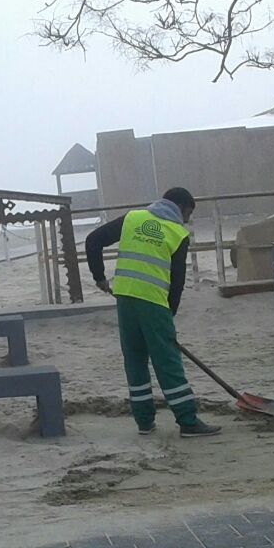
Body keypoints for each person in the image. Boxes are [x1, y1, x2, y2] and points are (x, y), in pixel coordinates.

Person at [86, 187, 221, 438]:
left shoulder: (133, 218)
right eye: (188, 214)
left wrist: (99, 277)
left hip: (125, 299)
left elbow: (93, 240)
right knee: (167, 361)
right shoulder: (177, 233)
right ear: (180, 208)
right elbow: (177, 281)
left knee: (135, 359)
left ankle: (144, 422)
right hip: (154, 303)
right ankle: (188, 421)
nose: (187, 220)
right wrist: (170, 314)